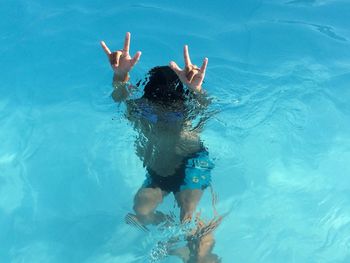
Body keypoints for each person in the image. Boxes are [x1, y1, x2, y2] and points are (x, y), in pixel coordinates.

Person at [100, 32, 214, 226]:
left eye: (171, 114)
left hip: (192, 164)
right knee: (141, 211)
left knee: (187, 213)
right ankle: (168, 233)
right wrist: (120, 75)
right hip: (158, 169)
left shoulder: (189, 112)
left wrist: (197, 92)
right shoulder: (138, 110)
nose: (160, 119)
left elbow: (205, 107)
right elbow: (118, 96)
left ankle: (193, 244)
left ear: (181, 107)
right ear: (144, 103)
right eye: (152, 112)